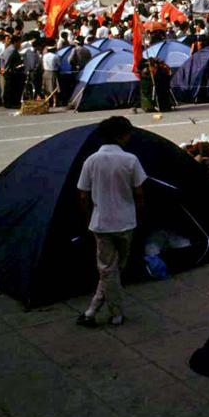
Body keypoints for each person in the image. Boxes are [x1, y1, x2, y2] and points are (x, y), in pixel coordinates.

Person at [76, 116, 146, 328]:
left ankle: (92, 311)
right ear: (121, 136)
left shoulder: (91, 161)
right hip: (125, 222)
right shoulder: (130, 160)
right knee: (115, 270)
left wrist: (90, 216)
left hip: (101, 223)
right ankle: (110, 313)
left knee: (108, 271)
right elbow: (139, 193)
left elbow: (83, 195)